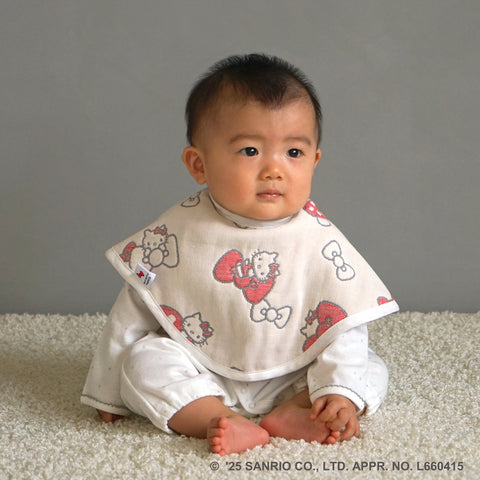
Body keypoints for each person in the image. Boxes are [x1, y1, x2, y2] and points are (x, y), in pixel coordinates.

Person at [81, 53, 399, 456]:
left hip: (295, 376)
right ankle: (216, 418)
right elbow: (134, 310)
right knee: (143, 361)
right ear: (199, 164)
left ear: (315, 161)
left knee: (365, 366)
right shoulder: (180, 231)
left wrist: (338, 393)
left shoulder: (319, 239)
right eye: (250, 151)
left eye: (294, 153)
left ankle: (299, 411)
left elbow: (344, 323)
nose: (274, 170)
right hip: (204, 372)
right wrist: (107, 391)